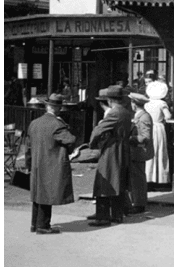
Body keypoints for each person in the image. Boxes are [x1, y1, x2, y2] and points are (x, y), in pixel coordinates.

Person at [25, 93, 76, 234]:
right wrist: (66, 126)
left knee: (37, 194)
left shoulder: (34, 123)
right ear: (58, 108)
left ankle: (35, 224)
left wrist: (28, 164)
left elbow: (28, 147)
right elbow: (70, 140)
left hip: (36, 163)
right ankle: (43, 226)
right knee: (47, 194)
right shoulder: (57, 125)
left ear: (47, 106)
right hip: (50, 163)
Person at [84, 86, 132, 226]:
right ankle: (117, 215)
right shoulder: (126, 112)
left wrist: (92, 143)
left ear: (110, 100)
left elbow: (99, 130)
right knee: (118, 181)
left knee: (104, 181)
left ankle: (103, 216)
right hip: (123, 149)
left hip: (111, 149)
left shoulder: (114, 113)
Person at [127, 92, 153, 214]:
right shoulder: (139, 115)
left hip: (138, 151)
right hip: (135, 151)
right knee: (135, 177)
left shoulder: (144, 117)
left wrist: (129, 139)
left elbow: (145, 137)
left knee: (138, 178)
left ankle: (139, 204)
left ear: (134, 104)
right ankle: (136, 201)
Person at [144, 80, 172, 187]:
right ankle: (159, 177)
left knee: (149, 151)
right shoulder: (161, 103)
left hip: (149, 127)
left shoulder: (146, 102)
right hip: (158, 128)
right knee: (159, 151)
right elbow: (168, 116)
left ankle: (148, 176)